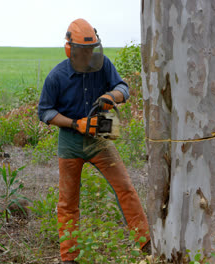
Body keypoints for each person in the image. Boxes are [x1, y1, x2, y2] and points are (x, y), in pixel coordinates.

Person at [37, 18, 150, 264]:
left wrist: (112, 95)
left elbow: (124, 86)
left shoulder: (102, 65)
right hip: (70, 143)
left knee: (126, 189)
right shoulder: (56, 77)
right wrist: (74, 123)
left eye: (91, 50)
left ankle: (146, 245)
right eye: (82, 51)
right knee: (68, 202)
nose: (88, 56)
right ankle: (69, 258)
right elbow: (44, 112)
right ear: (70, 50)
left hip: (100, 140)